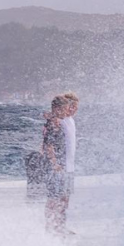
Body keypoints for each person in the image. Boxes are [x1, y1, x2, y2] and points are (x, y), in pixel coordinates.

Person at [42, 93, 79, 234]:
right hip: (58, 167)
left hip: (69, 167)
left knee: (64, 200)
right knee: (53, 199)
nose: (73, 109)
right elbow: (48, 145)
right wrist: (54, 164)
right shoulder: (56, 121)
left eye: (75, 107)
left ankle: (60, 226)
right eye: (71, 107)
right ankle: (50, 227)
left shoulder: (68, 119)